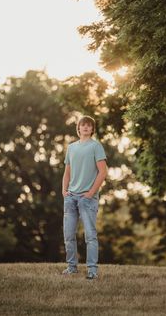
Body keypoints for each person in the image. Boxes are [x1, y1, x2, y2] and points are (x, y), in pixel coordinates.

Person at [62, 115, 108, 279]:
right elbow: (67, 172)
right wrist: (64, 191)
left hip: (87, 199)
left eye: (89, 125)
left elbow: (103, 172)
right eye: (83, 125)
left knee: (90, 235)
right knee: (68, 235)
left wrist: (90, 193)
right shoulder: (71, 148)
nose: (86, 127)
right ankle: (72, 267)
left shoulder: (96, 146)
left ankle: (92, 270)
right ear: (78, 128)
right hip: (71, 197)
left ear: (92, 129)